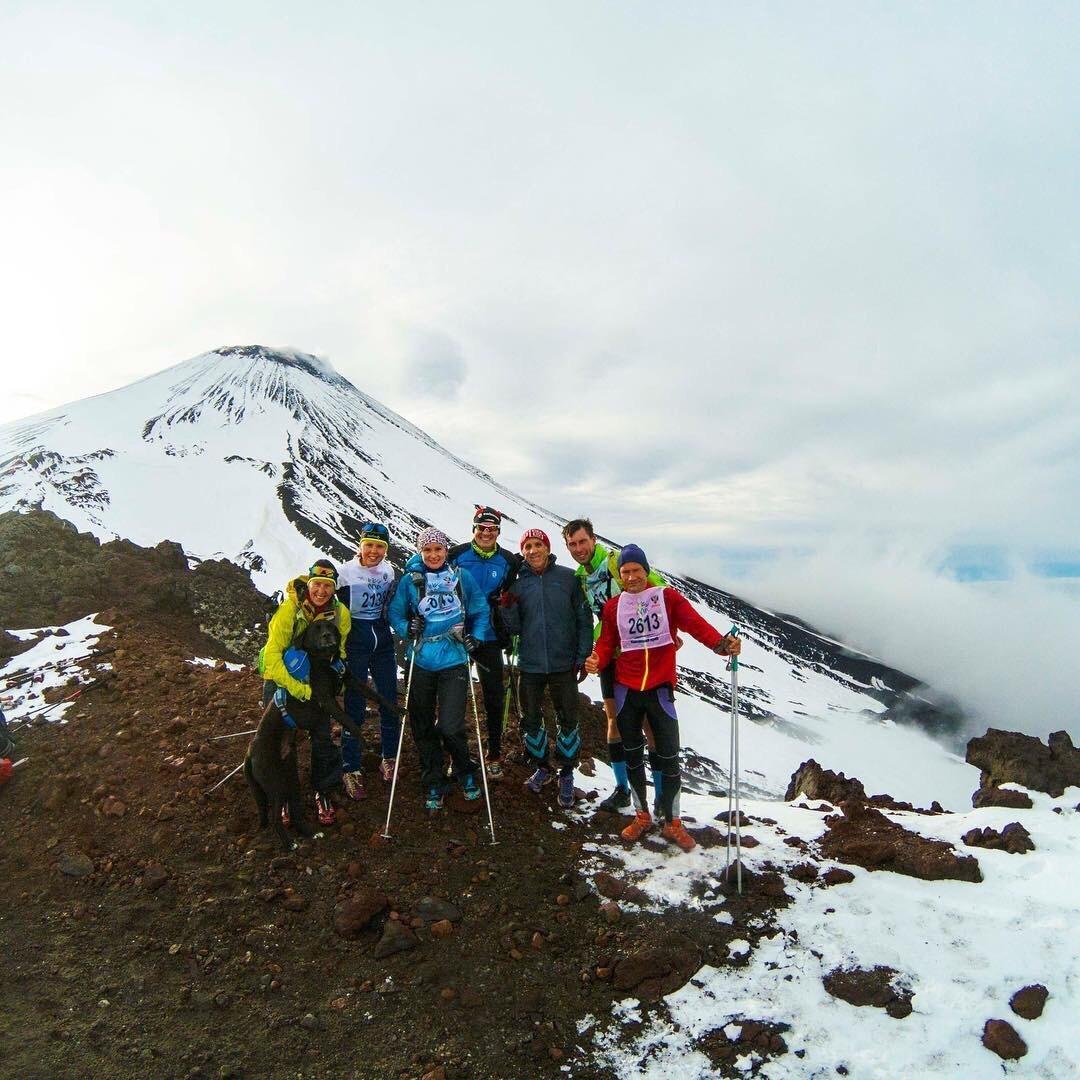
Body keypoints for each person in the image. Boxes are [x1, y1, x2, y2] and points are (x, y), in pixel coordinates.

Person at [584, 543, 741, 852]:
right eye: (625, 572)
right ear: (620, 574)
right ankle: (642, 816)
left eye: (637, 571)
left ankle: (672, 822)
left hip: (659, 688)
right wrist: (596, 660)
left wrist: (720, 644)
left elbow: (695, 624)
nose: (631, 577)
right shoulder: (614, 606)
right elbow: (606, 642)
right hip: (626, 688)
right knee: (632, 755)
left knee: (669, 755)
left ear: (646, 571)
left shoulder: (667, 598)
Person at [563, 518, 666, 813]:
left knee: (649, 724)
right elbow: (601, 620)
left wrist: (670, 632)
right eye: (573, 544)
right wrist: (596, 650)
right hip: (611, 657)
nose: (579, 548)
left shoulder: (617, 563)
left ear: (594, 539)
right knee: (614, 720)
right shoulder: (582, 577)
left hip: (641, 654)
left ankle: (659, 795)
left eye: (583, 541)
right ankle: (623, 789)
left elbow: (660, 590)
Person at [388, 526, 487, 811]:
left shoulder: (460, 577)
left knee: (450, 724)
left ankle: (464, 769)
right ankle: (433, 777)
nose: (433, 554)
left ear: (446, 551)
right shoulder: (410, 581)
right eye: (427, 550)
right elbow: (395, 612)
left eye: (438, 549)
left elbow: (479, 610)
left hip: (454, 659)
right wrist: (408, 627)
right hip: (420, 660)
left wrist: (476, 637)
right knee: (421, 723)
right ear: (420, 552)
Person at [500, 528, 592, 809]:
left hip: (564, 662)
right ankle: (542, 766)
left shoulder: (568, 578)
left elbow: (583, 618)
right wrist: (507, 607)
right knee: (530, 718)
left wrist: (582, 655)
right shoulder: (518, 585)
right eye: (527, 546)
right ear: (523, 551)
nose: (533, 550)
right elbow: (514, 627)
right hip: (531, 663)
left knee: (568, 717)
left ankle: (566, 772)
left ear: (547, 547)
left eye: (537, 544)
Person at [260, 558, 351, 826]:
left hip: (317, 681)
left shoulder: (340, 614)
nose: (321, 591)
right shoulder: (290, 610)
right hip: (281, 679)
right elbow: (272, 657)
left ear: (334, 588)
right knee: (281, 742)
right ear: (308, 584)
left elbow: (340, 651)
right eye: (316, 584)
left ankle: (323, 790)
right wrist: (297, 689)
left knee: (322, 736)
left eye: (327, 586)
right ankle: (284, 796)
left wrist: (337, 680)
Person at [449, 506, 520, 780]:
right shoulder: (457, 555)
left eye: (492, 529)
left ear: (498, 532)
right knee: (455, 695)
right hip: (457, 633)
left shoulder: (508, 561)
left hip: (489, 635)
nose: (486, 533)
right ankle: (456, 754)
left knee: (493, 696)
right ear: (474, 529)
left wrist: (509, 615)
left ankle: (494, 753)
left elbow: (512, 591)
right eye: (481, 528)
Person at [337, 522, 400, 799]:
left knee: (388, 699)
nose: (374, 551)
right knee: (355, 704)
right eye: (369, 545)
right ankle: (351, 767)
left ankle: (390, 757)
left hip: (382, 638)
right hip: (356, 639)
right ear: (360, 545)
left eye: (380, 547)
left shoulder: (389, 571)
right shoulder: (344, 573)